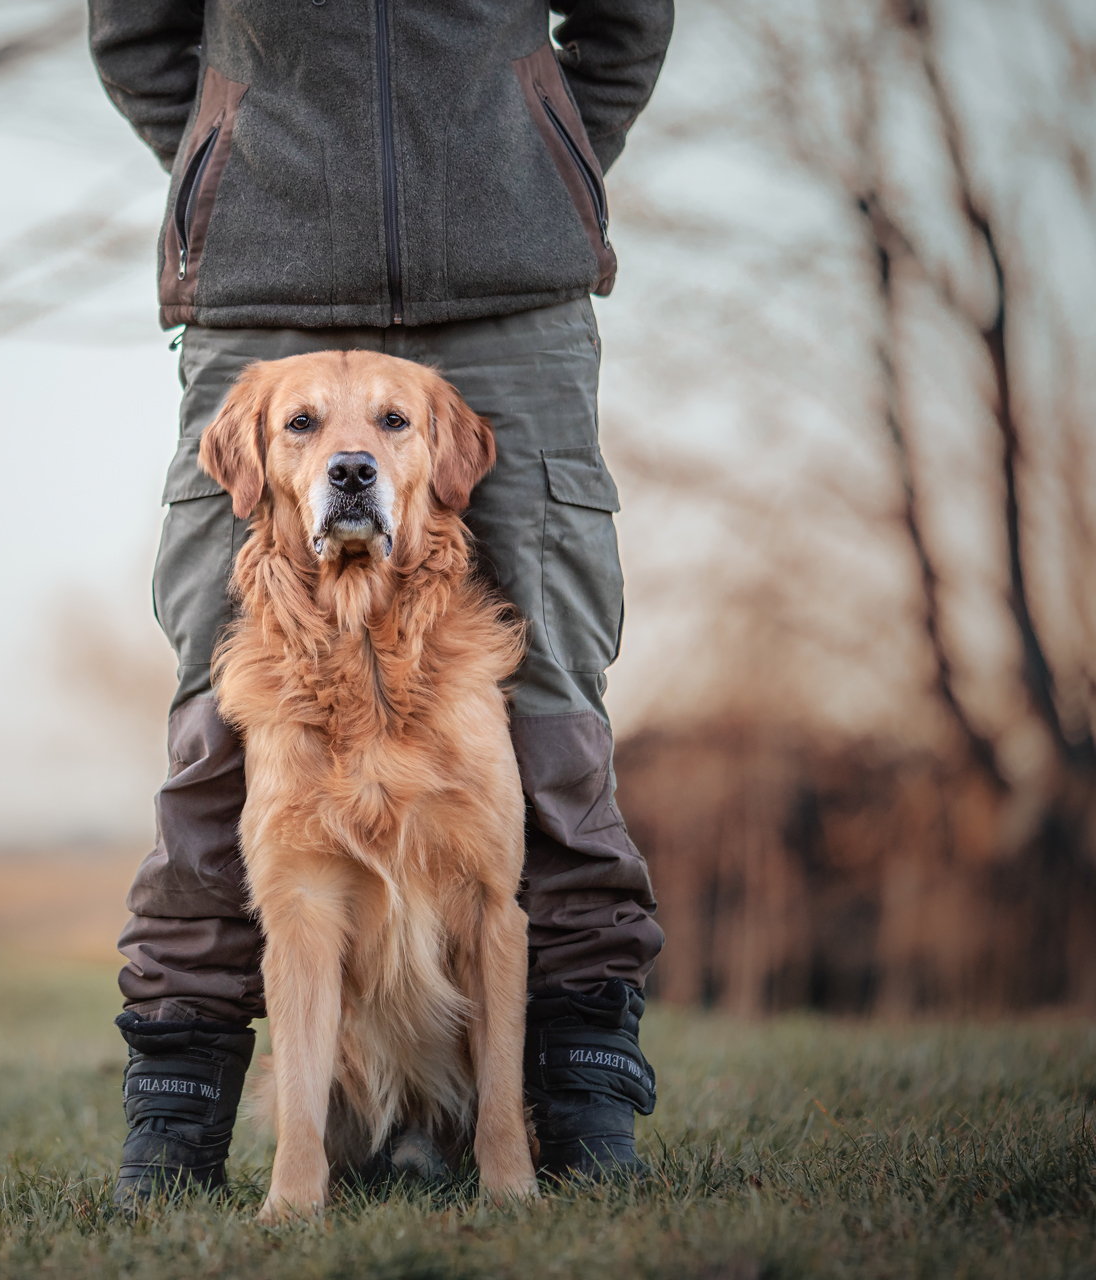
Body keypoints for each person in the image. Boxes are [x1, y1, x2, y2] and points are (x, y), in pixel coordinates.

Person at [88, 0, 676, 1205]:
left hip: (510, 293)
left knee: (555, 715)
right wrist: (232, 164)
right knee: (220, 713)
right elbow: (135, 28)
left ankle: (573, 1088)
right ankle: (184, 1096)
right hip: (264, 293)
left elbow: (628, 16)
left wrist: (538, 157)